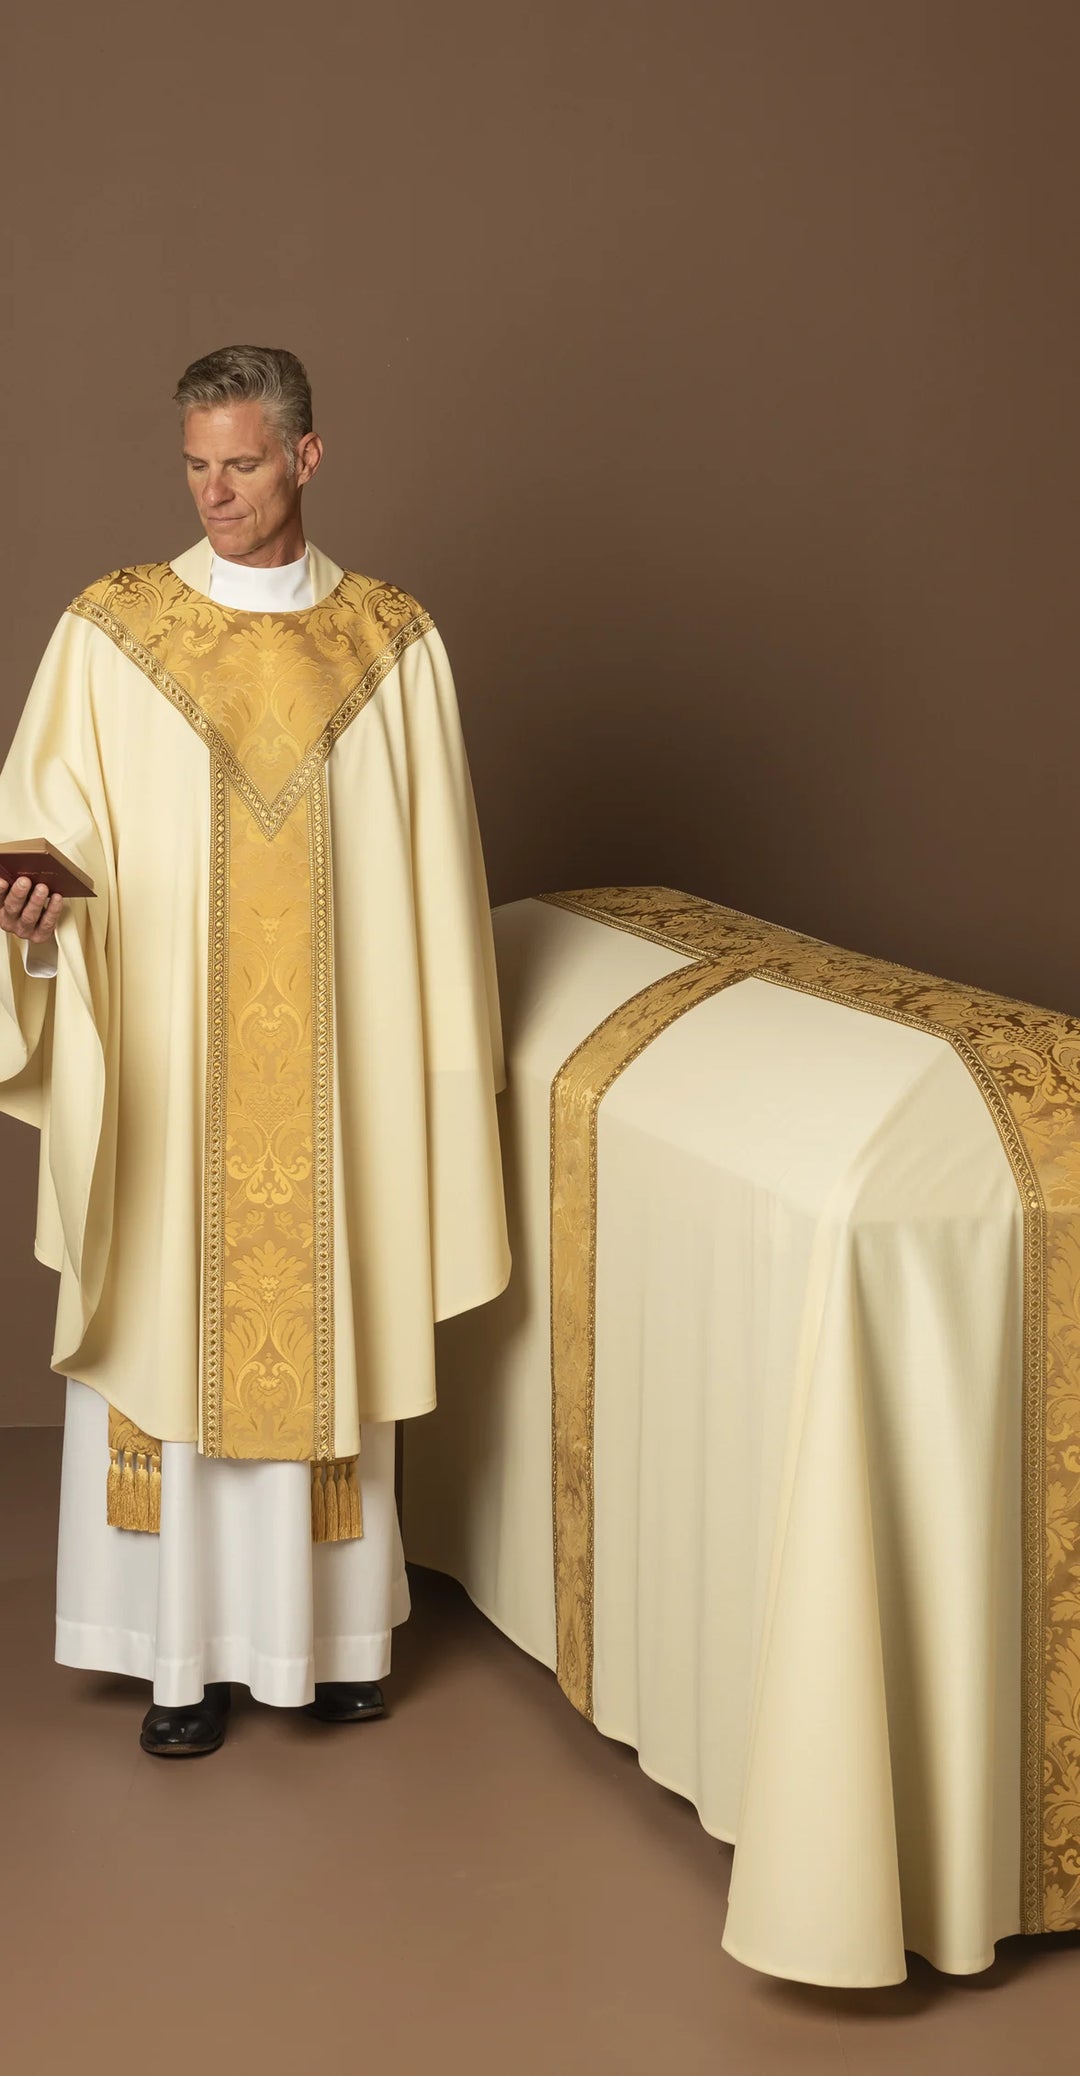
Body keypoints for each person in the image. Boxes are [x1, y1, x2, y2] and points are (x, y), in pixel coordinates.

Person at [0, 344, 510, 1756]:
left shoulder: (393, 646)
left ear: (307, 458)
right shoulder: (112, 633)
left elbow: (430, 880)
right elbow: (47, 835)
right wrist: (37, 924)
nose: (213, 492)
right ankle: (180, 1661)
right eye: (194, 465)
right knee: (175, 1325)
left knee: (323, 1323)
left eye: (239, 462)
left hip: (330, 1079)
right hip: (169, 1072)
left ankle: (331, 1640)